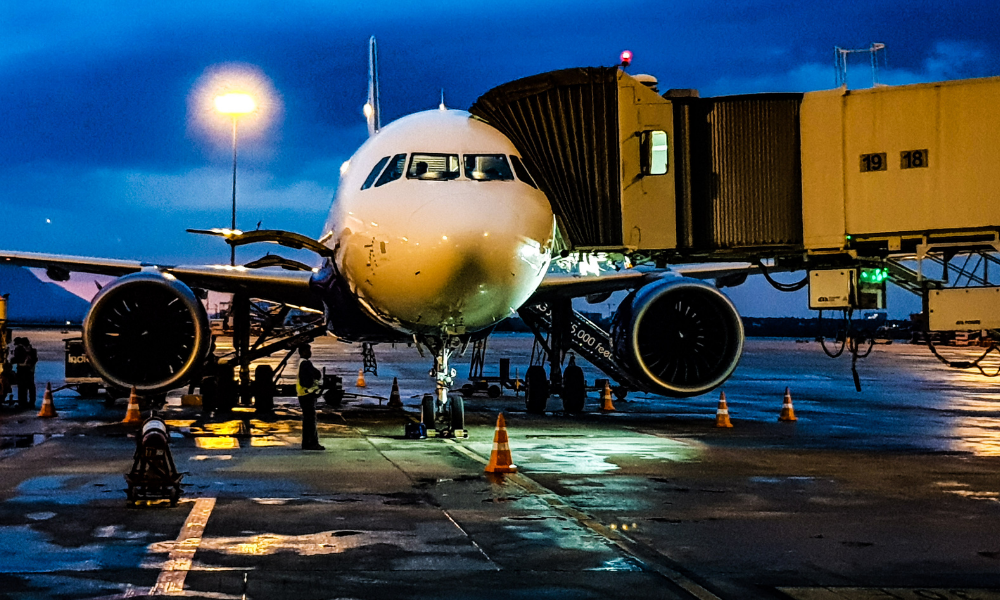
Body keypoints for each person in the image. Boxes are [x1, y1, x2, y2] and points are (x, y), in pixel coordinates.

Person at [296, 344, 324, 451]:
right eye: (308, 351)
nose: (310, 353)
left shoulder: (302, 363)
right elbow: (306, 380)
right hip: (306, 394)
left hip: (303, 394)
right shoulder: (305, 364)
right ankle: (311, 443)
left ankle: (307, 443)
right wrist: (312, 387)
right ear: (302, 352)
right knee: (310, 420)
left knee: (308, 420)